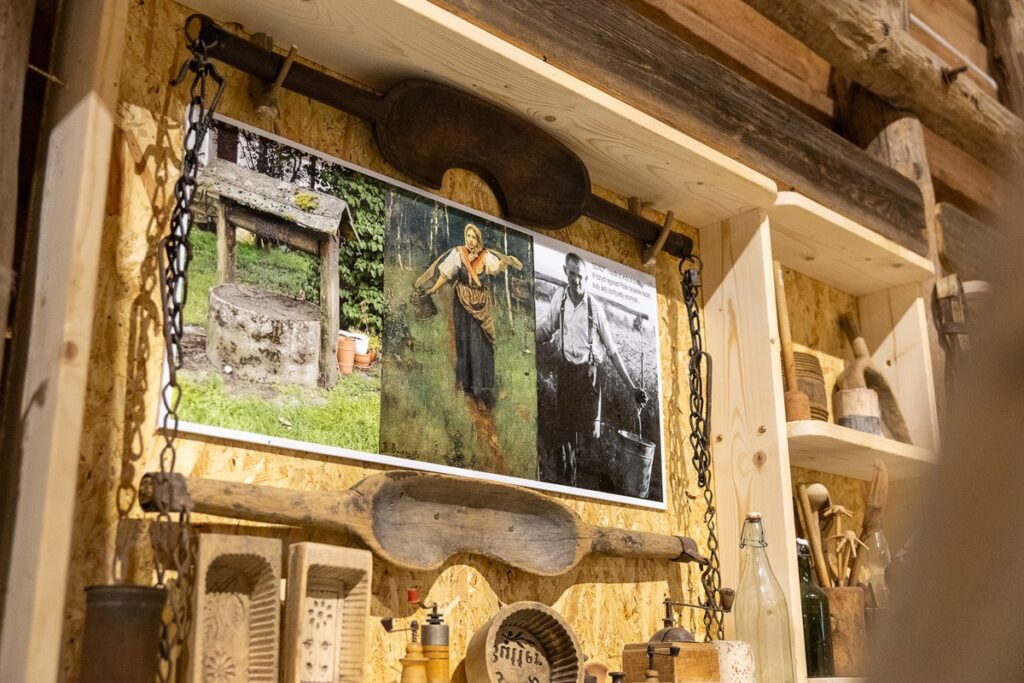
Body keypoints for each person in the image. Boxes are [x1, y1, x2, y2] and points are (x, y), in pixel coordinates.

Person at [537, 252, 647, 480]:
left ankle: (588, 476)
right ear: (565, 271)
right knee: (565, 429)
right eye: (571, 274)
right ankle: (569, 478)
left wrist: (632, 388)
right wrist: (523, 340)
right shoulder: (560, 298)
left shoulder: (595, 309)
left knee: (590, 434)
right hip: (566, 372)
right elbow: (547, 329)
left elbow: (612, 350)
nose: (575, 280)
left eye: (579, 276)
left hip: (589, 376)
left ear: (586, 278)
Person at [416, 223, 522, 410]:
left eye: (473, 237)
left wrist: (506, 262)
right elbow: (445, 275)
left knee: (480, 345)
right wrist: (433, 289)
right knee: (463, 340)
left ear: (479, 239)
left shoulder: (487, 256)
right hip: (462, 302)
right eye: (468, 236)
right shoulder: (458, 253)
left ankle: (479, 391)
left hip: (481, 303)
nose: (470, 239)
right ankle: (463, 383)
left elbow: (496, 269)